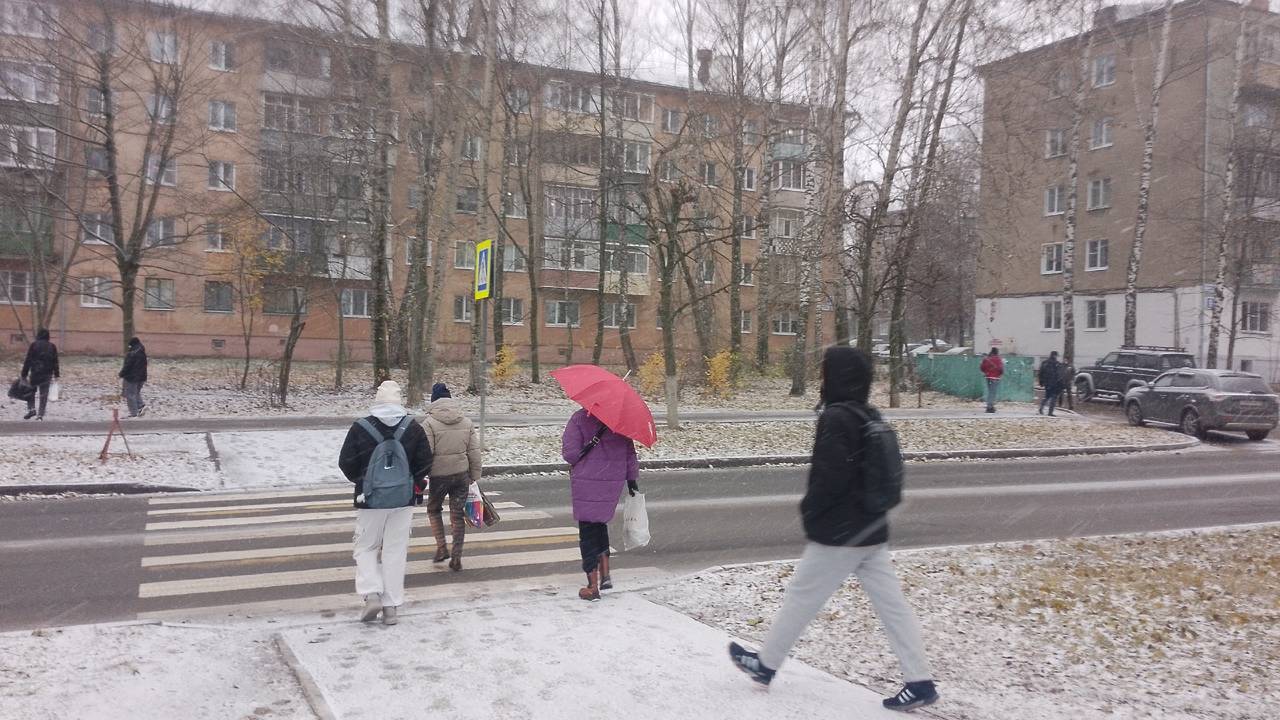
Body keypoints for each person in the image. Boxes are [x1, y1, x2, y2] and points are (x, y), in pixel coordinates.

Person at [729, 346, 937, 713]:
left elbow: (830, 478)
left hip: (841, 533)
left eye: (826, 371)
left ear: (836, 377)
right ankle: (919, 681)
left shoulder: (837, 417)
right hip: (871, 528)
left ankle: (765, 665)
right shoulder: (867, 412)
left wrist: (811, 512)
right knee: (893, 607)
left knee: (801, 597)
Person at [338, 380, 433, 625]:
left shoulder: (361, 428)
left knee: (366, 546)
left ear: (377, 401)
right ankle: (391, 607)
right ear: (399, 401)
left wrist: (364, 482)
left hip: (370, 500)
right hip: (403, 499)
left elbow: (346, 462)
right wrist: (410, 482)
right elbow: (425, 462)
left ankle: (371, 594)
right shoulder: (413, 427)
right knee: (395, 551)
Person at [562, 407, 638, 601]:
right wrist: (632, 480)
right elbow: (629, 453)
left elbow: (570, 454)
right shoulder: (619, 422)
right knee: (599, 523)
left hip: (586, 480)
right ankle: (605, 575)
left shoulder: (579, 418)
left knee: (587, 531)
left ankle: (592, 586)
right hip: (611, 482)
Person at [422, 382, 481, 572]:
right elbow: (474, 451)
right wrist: (474, 474)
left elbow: (427, 453)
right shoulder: (466, 421)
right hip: (461, 475)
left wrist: (422, 474)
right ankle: (456, 557)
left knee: (433, 509)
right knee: (457, 515)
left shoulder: (428, 423)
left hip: (439, 476)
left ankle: (441, 548)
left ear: (434, 401)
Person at [19, 328, 59, 421]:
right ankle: (40, 415)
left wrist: (24, 373)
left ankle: (32, 409)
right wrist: (56, 374)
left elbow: (28, 360)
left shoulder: (34, 345)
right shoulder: (52, 346)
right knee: (43, 395)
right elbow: (55, 361)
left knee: (31, 391)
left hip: (35, 373)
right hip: (47, 374)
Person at [119, 337, 148, 418]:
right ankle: (141, 406)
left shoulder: (132, 353)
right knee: (136, 393)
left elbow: (128, 365)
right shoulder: (142, 352)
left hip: (131, 377)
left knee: (130, 395)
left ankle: (134, 413)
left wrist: (121, 373)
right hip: (141, 377)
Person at [1038, 351, 1063, 417]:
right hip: (1055, 383)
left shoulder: (1045, 363)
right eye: (1056, 356)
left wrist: (1041, 382)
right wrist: (1060, 382)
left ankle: (1041, 408)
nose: (1056, 357)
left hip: (1047, 383)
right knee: (1053, 398)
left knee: (1047, 396)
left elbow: (1040, 373)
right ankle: (1050, 412)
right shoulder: (1057, 364)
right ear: (1055, 356)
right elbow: (1059, 374)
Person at [980, 347, 1004, 413]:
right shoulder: (998, 359)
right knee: (992, 393)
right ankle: (989, 407)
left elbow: (982, 367)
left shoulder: (987, 359)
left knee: (990, 392)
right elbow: (1001, 369)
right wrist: (1000, 374)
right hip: (995, 378)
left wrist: (986, 372)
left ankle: (990, 406)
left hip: (988, 377)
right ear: (997, 352)